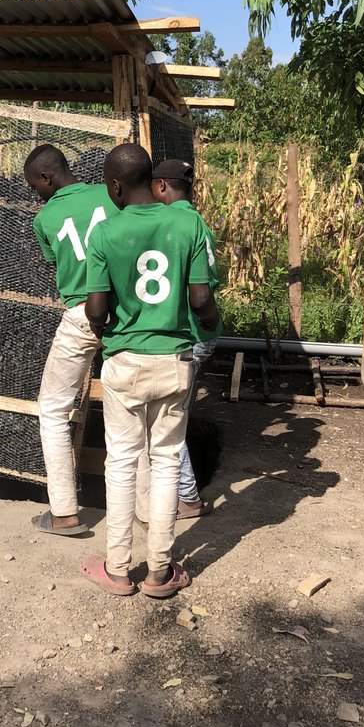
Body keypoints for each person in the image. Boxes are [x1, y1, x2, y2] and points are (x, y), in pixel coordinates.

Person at [82, 144, 220, 598]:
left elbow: (96, 310)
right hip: (175, 360)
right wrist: (210, 324)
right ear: (152, 180)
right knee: (165, 462)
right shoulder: (187, 222)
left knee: (122, 462)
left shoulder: (105, 233)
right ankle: (160, 571)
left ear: (116, 186)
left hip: (125, 362)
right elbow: (201, 299)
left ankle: (118, 569)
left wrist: (107, 329)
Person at [24, 144, 119, 535]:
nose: (37, 195)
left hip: (81, 315)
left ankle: (64, 511)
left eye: (36, 187)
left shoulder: (45, 218)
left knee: (52, 409)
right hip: (124, 313)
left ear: (47, 178)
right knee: (133, 412)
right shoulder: (110, 195)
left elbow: (59, 261)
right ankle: (150, 509)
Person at [142, 157, 223, 520]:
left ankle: (187, 497)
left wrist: (201, 324)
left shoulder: (176, 222)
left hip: (189, 334)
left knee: (167, 419)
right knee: (174, 414)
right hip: (202, 332)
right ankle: (186, 493)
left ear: (161, 186)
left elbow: (199, 296)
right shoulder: (196, 221)